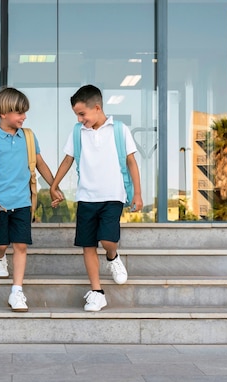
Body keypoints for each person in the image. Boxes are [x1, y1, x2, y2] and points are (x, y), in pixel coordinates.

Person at [50, 84, 143, 312]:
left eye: (82, 114)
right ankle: (97, 292)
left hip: (113, 196)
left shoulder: (119, 130)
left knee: (108, 239)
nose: (80, 119)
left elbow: (131, 161)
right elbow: (67, 160)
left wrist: (138, 194)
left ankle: (112, 257)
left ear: (97, 108)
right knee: (88, 245)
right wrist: (54, 185)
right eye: (77, 115)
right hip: (86, 197)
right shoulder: (78, 132)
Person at [0, 87, 62, 312]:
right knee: (1, 244)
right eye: (18, 112)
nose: (23, 116)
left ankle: (17, 291)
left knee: (21, 245)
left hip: (23, 202)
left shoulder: (29, 137)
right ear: (3, 113)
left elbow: (40, 164)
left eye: (24, 112)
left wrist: (54, 186)